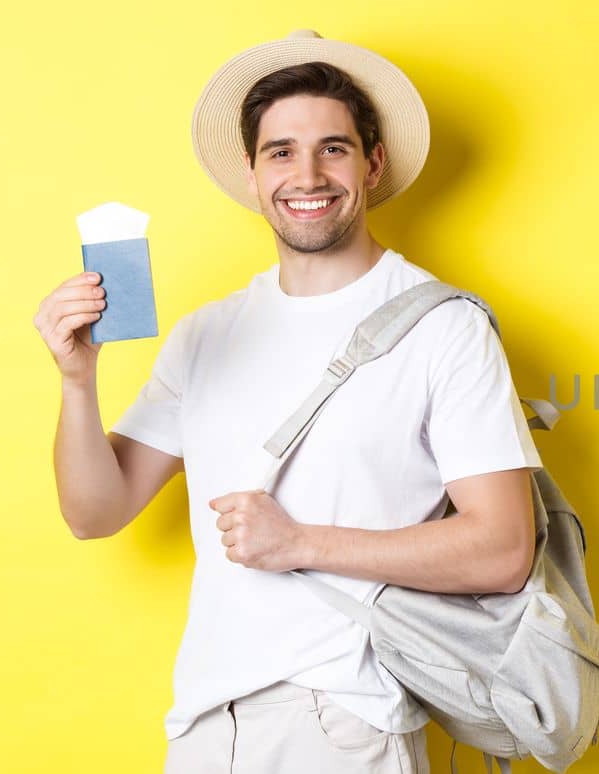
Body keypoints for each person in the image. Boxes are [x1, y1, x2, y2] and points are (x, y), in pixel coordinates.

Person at [34, 30, 543, 773]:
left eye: (333, 148)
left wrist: (302, 544)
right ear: (251, 172)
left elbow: (503, 549)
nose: (307, 173)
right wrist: (77, 382)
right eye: (281, 151)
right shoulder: (205, 334)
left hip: (346, 720)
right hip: (206, 724)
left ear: (372, 164)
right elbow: (94, 513)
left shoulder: (444, 327)